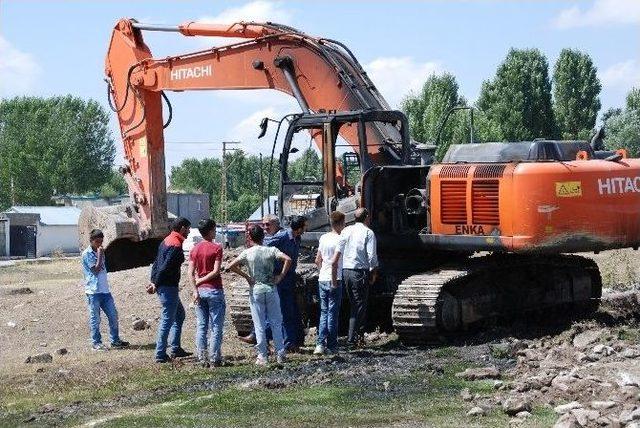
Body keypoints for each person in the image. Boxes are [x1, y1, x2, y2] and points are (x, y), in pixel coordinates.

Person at [227, 225, 292, 365]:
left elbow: (230, 266)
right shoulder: (271, 250)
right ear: (263, 237)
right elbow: (288, 259)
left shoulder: (247, 253)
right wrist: (280, 276)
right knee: (276, 323)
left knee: (259, 325)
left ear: (250, 237)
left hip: (256, 291)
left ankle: (262, 356)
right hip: (271, 289)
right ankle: (280, 354)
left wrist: (247, 277)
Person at [148, 217, 192, 363]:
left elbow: (156, 263)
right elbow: (165, 267)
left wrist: (153, 281)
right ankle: (160, 354)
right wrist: (155, 283)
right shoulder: (175, 245)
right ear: (182, 229)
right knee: (168, 319)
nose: (189, 231)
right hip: (168, 287)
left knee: (179, 315)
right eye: (188, 228)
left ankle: (175, 348)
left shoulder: (166, 240)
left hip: (166, 286)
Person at [81, 229, 129, 351]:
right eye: (97, 242)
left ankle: (115, 340)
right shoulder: (87, 254)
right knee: (95, 318)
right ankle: (96, 343)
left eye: (101, 242)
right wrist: (100, 254)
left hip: (105, 291)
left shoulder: (100, 251)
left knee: (113, 315)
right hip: (93, 291)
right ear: (91, 241)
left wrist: (101, 254)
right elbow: (96, 270)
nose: (99, 244)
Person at [237, 214, 282, 345]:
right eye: (264, 225)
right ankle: (277, 350)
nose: (265, 227)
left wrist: (247, 277)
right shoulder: (269, 245)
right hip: (270, 284)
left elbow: (231, 265)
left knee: (264, 320)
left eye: (268, 224)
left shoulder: (280, 237)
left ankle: (262, 352)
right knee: (274, 320)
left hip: (267, 284)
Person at [265, 215, 307, 352]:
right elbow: (266, 244)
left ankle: (290, 342)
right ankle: (263, 337)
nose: (306, 228)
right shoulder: (283, 236)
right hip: (280, 278)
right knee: (280, 311)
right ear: (300, 228)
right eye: (305, 226)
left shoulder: (297, 238)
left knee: (289, 311)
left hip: (290, 279)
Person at [188, 219, 224, 367]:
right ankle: (215, 358)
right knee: (216, 326)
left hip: (200, 293)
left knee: (202, 326)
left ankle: (202, 358)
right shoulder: (217, 248)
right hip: (214, 290)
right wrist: (202, 280)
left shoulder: (195, 249)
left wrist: (195, 289)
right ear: (210, 231)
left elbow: (190, 273)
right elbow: (216, 272)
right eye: (214, 229)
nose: (215, 232)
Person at [340, 208, 378, 347]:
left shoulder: (346, 230)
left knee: (354, 304)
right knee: (359, 305)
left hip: (346, 271)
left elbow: (340, 249)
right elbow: (372, 256)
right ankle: (353, 339)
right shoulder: (368, 232)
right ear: (367, 217)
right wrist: (374, 272)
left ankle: (358, 337)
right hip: (359, 272)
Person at [314, 211, 346, 355]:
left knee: (324, 312)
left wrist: (323, 273)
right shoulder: (340, 240)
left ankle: (320, 344)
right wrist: (333, 282)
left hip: (322, 278)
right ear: (341, 223)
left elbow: (317, 260)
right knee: (333, 314)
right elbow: (334, 263)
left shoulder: (323, 237)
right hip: (335, 279)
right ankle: (332, 345)